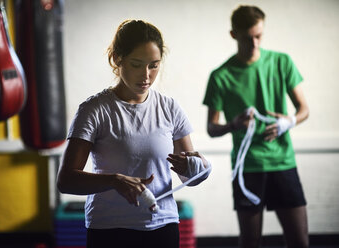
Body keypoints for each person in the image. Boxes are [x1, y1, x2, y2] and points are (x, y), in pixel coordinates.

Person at [57, 19, 211, 248]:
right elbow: (66, 180)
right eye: (137, 64)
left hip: (163, 224)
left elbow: (193, 176)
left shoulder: (169, 108)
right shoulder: (94, 110)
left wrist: (197, 167)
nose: (147, 75)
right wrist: (114, 180)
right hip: (110, 229)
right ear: (117, 59)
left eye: (154, 65)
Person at [202, 5, 309, 248]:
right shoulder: (221, 76)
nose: (254, 43)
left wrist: (288, 122)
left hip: (283, 161)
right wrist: (233, 124)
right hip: (247, 167)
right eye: (248, 37)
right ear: (234, 35)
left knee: (300, 241)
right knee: (250, 241)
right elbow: (211, 127)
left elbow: (304, 109)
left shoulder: (282, 62)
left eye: (259, 36)